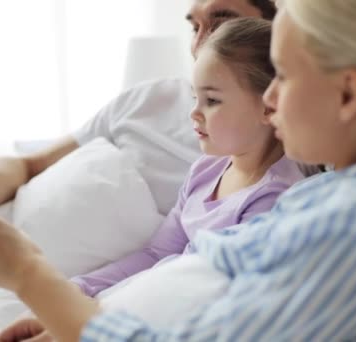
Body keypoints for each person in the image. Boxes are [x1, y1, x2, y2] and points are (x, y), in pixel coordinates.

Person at [0, 0, 356, 341]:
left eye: (282, 76)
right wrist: (68, 314)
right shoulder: (342, 196)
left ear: (349, 93)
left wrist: (32, 277)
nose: (269, 97)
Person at [0, 0, 279, 216]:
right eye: (196, 27)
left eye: (221, 23)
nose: (201, 44)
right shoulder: (146, 100)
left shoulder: (292, 142)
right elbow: (30, 166)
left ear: (271, 31)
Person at [70, 17, 307, 297]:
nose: (194, 113)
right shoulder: (206, 170)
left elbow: (216, 291)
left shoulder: (273, 198)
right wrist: (80, 287)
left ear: (269, 107)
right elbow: (157, 253)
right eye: (195, 97)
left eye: (212, 100)